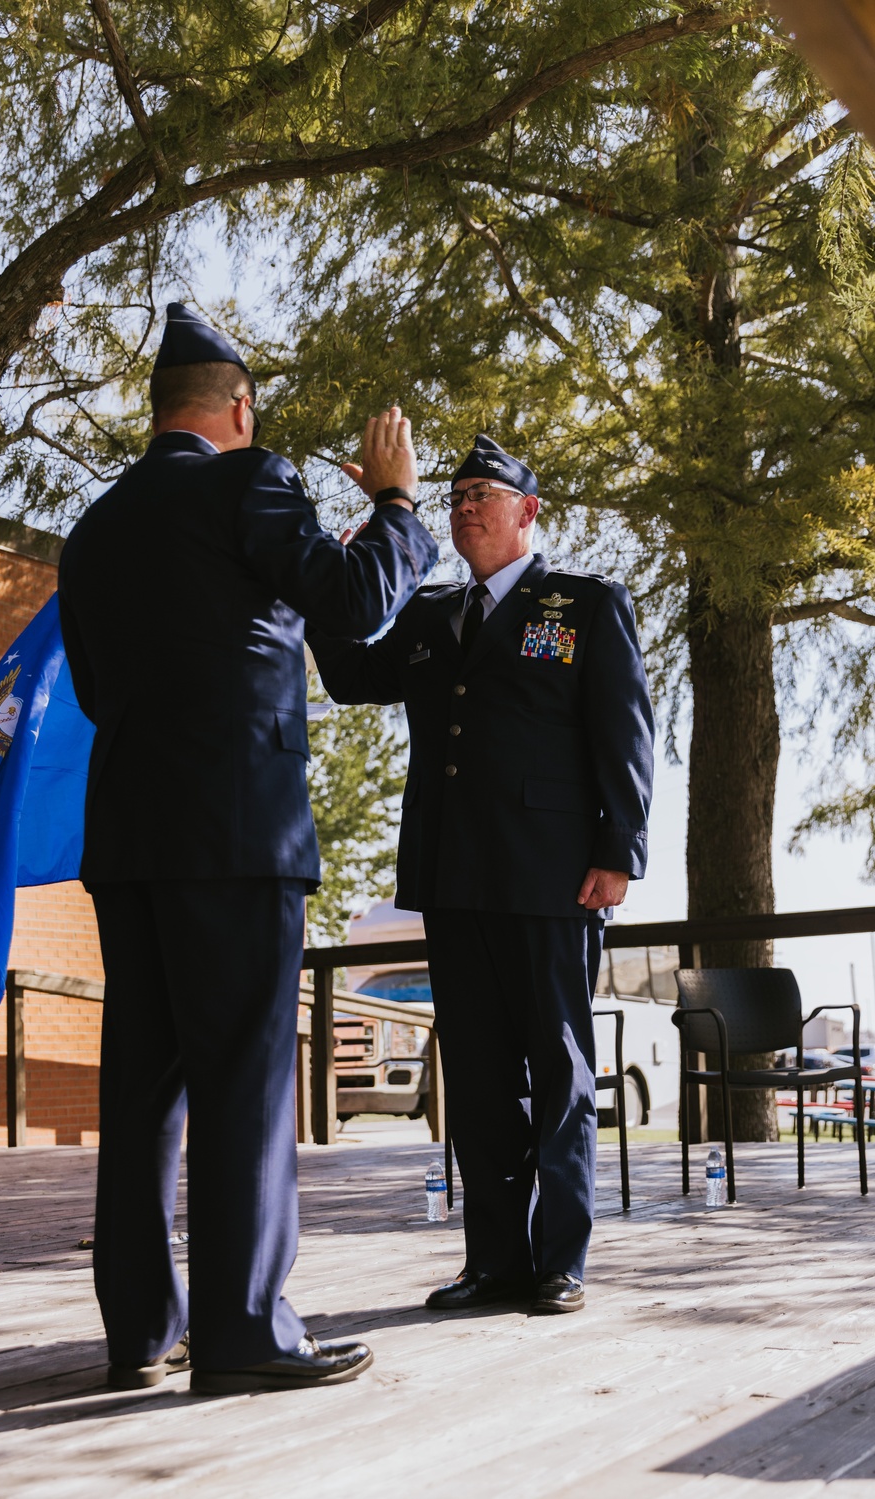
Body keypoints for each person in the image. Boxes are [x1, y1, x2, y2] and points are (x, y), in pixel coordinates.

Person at [57, 303, 438, 1393]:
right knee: (247, 1082)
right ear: (238, 407)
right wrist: (395, 504)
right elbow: (357, 602)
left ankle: (140, 1329)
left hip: (130, 836)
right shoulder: (250, 480)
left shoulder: (95, 527)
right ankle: (244, 1334)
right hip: (239, 833)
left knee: (141, 1087)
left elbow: (94, 687)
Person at [308, 434, 654, 1315]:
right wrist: (334, 575)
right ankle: (493, 1259)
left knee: (560, 1067)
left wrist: (620, 851)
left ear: (529, 510)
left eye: (484, 493)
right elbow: (348, 676)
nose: (465, 506)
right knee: (478, 1071)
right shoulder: (428, 614)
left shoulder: (580, 604)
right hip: (454, 876)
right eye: (455, 494)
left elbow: (624, 732)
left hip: (552, 880)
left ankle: (559, 1260)